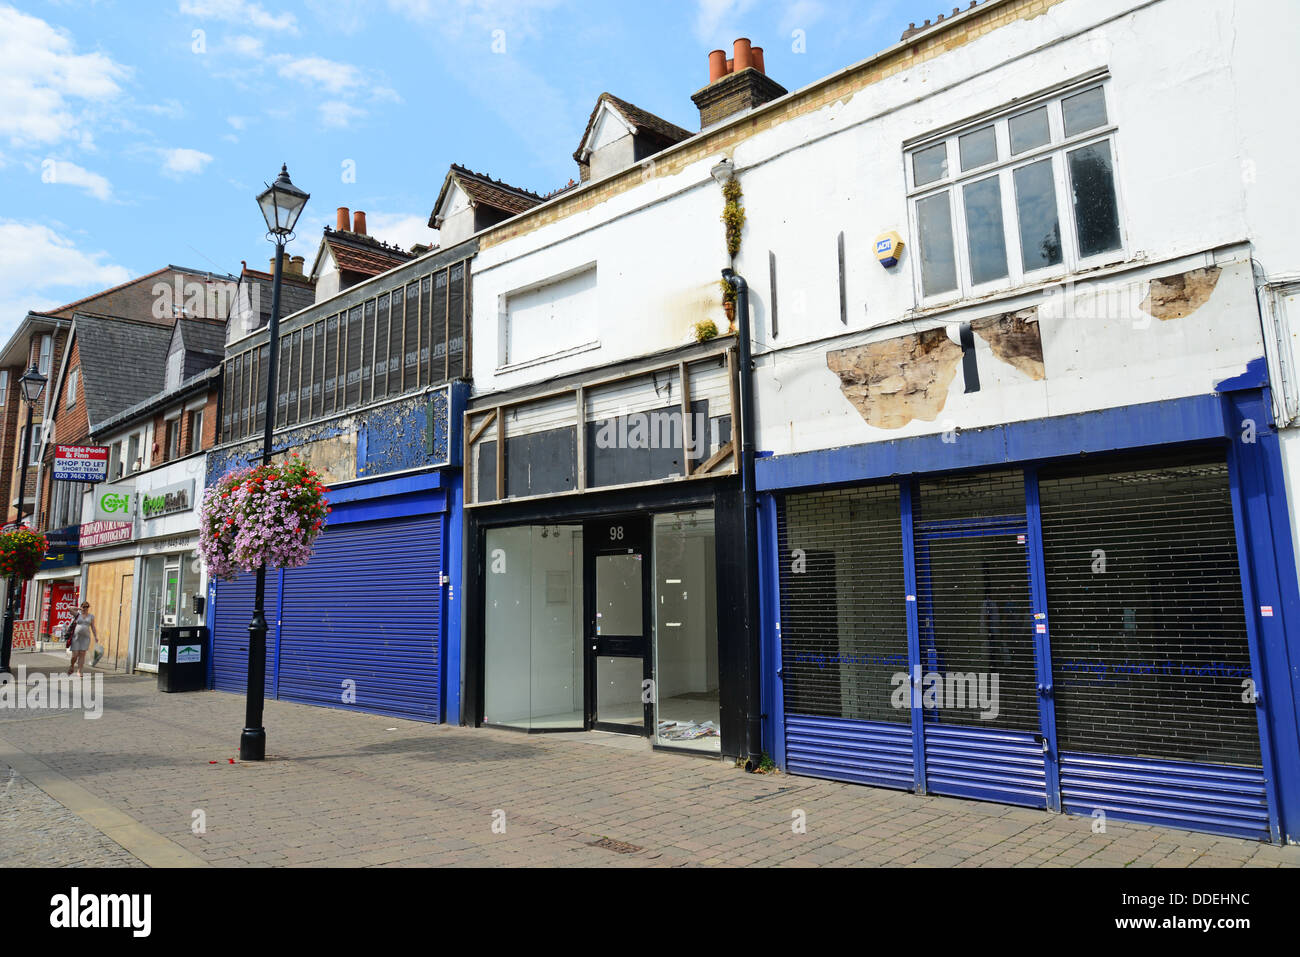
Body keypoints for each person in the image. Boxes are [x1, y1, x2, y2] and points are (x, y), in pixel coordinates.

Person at [66, 602, 99, 676]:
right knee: (75, 655)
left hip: (85, 638)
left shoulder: (91, 616)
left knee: (82, 654)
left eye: (86, 607)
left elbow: (93, 627)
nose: (85, 608)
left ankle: (79, 670)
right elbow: (69, 608)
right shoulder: (77, 615)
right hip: (76, 638)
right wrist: (78, 609)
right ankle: (72, 666)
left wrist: (95, 636)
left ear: (88, 608)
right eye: (83, 607)